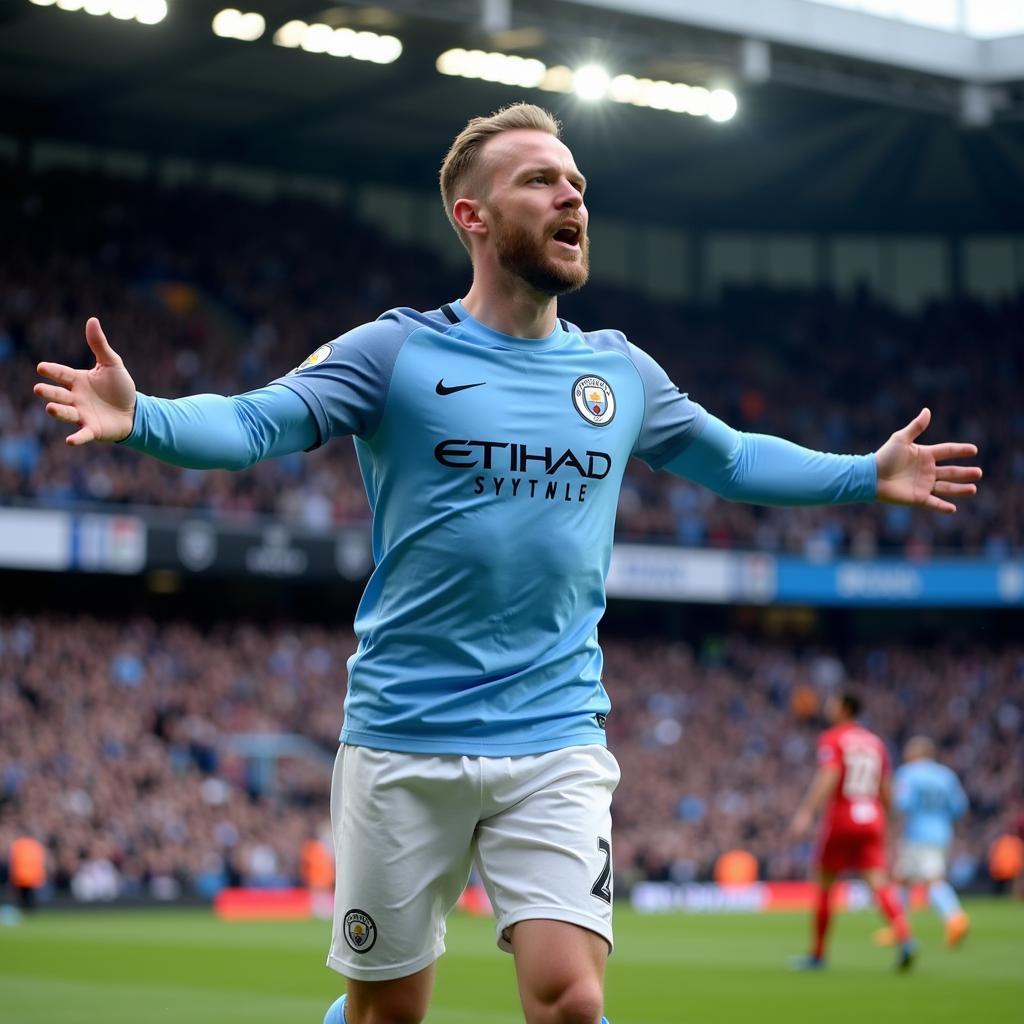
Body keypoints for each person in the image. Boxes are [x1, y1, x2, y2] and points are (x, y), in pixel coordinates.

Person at [32, 104, 981, 1024]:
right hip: (405, 731)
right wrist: (142, 415)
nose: (571, 198)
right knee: (386, 1011)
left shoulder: (620, 372)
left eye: (577, 182)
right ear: (472, 217)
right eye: (541, 181)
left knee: (571, 999)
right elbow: (250, 422)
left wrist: (866, 474)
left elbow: (731, 458)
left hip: (555, 732)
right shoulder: (395, 351)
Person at [790, 692, 916, 971]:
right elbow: (886, 787)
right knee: (877, 882)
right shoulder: (875, 742)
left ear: (845, 708)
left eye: (832, 703)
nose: (827, 707)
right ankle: (905, 937)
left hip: (842, 817)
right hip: (872, 818)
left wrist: (807, 811)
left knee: (824, 883)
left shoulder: (834, 738)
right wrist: (887, 820)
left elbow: (830, 775)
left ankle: (818, 954)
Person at [879, 736, 970, 948]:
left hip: (917, 833)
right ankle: (898, 927)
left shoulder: (909, 773)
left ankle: (955, 918)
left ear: (914, 753)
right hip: (942, 833)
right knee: (903, 878)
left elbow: (901, 804)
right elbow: (959, 808)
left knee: (932, 880)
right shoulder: (946, 775)